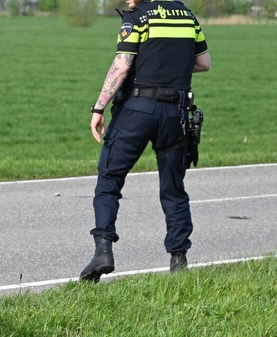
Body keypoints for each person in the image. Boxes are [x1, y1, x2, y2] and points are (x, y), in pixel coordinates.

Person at [80, 0, 211, 282]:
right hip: (175, 113)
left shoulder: (137, 18)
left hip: (137, 111)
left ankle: (103, 250)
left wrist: (99, 108)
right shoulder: (187, 16)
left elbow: (122, 65)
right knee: (173, 187)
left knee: (109, 179)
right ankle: (179, 260)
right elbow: (203, 63)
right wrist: (168, 68)